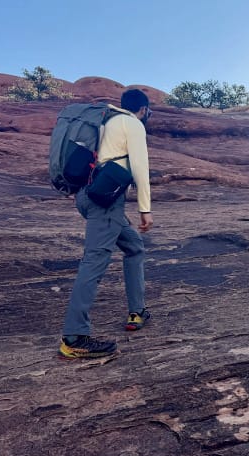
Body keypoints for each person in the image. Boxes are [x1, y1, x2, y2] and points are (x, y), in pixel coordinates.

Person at [58, 89, 154, 359]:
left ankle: (137, 311)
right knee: (94, 262)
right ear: (143, 110)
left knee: (134, 246)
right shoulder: (131, 123)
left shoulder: (103, 121)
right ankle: (74, 337)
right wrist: (145, 209)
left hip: (87, 195)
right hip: (106, 201)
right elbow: (140, 168)